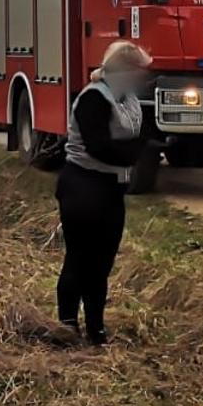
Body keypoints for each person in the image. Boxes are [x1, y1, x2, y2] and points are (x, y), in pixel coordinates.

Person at [55, 41, 152, 345]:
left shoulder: (128, 98)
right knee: (80, 258)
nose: (143, 78)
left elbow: (143, 136)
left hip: (111, 189)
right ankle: (67, 324)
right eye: (138, 71)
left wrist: (134, 150)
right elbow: (100, 147)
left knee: (102, 262)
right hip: (82, 186)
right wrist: (136, 153)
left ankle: (96, 327)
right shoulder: (93, 99)